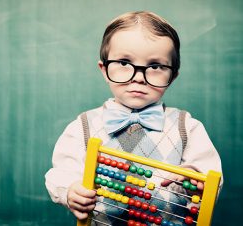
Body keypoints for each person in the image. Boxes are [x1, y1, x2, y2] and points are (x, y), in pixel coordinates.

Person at [45, 11, 223, 225]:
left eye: (156, 66)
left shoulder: (188, 127)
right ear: (104, 69)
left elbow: (211, 178)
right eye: (123, 62)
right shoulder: (83, 126)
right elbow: (61, 173)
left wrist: (195, 178)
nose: (138, 77)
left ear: (172, 76)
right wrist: (70, 190)